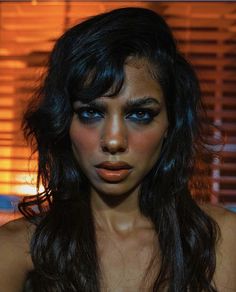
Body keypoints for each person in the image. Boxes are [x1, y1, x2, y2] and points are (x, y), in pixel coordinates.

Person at [0, 6, 235, 292]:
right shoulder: (17, 250)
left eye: (139, 115)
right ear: (64, 123)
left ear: (170, 125)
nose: (113, 141)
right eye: (90, 113)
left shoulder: (222, 239)